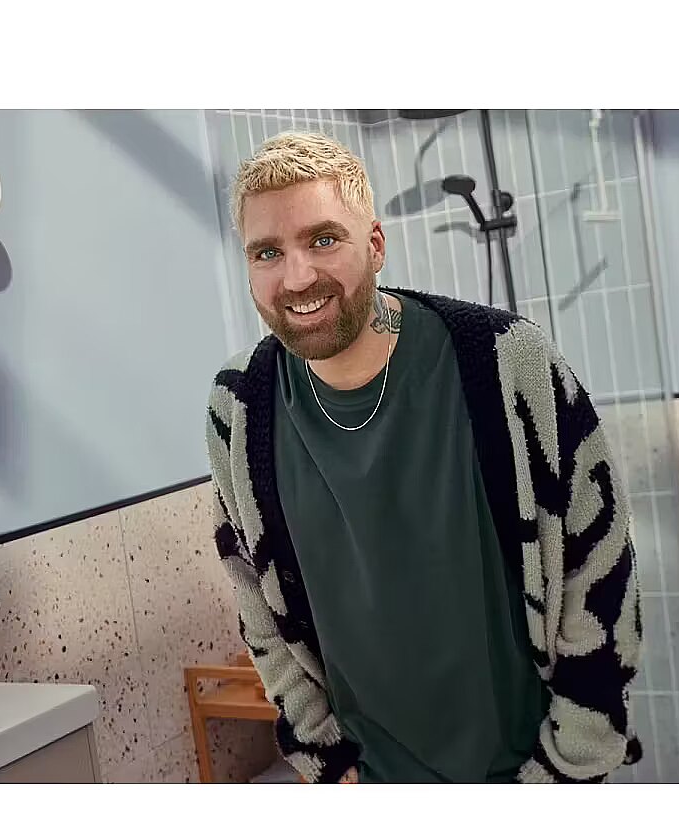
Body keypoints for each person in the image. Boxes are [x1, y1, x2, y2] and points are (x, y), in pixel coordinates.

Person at [205, 131, 643, 783]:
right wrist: (323, 754)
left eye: (323, 239)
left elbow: (598, 565)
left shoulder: (506, 360)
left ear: (376, 244)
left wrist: (568, 766)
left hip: (525, 769)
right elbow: (254, 599)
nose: (296, 277)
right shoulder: (242, 404)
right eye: (268, 251)